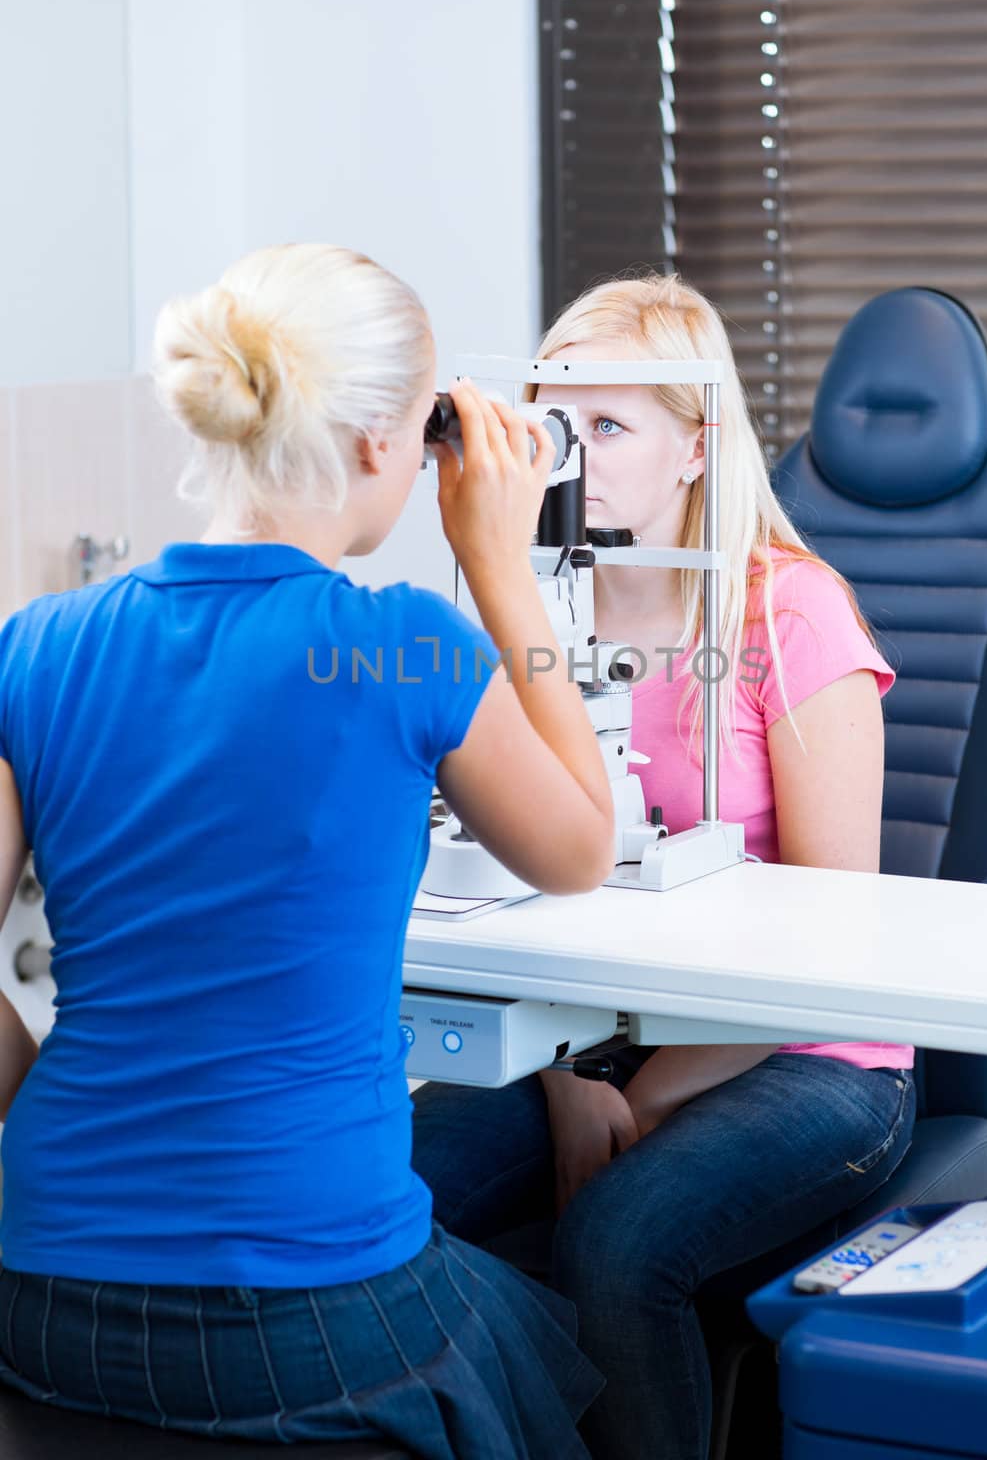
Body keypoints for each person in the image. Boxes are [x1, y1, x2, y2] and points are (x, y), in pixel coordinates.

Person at [0, 242, 618, 1455]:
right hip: (302, 1305)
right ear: (386, 442)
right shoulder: (404, 645)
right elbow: (580, 845)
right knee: (541, 1335)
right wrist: (500, 559)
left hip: (42, 1289)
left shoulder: (37, 645)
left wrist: (41, 1109)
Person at [411, 273, 916, 1460]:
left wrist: (637, 1097)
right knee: (392, 1188)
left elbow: (831, 949)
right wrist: (566, 1078)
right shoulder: (539, 614)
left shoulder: (789, 618)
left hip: (805, 1046)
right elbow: (533, 879)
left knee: (617, 1242)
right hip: (587, 1035)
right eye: (554, 421)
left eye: (606, 426)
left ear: (695, 446)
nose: (566, 452)